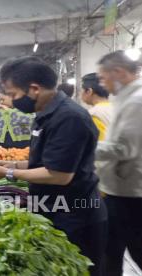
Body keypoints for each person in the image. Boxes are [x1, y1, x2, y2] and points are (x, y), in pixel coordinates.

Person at [0, 57, 107, 276]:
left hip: (76, 216)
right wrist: (9, 162)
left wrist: (7, 173)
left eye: (13, 94)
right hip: (55, 209)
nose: (11, 100)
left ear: (34, 89)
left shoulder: (69, 118)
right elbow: (46, 161)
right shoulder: (45, 114)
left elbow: (58, 174)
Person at [95, 51, 142, 275]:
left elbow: (124, 148)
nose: (102, 84)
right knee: (112, 249)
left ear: (118, 73)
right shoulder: (128, 99)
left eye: (103, 78)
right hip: (122, 189)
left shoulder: (135, 101)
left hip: (130, 193)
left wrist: (82, 148)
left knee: (132, 248)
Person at [81, 73, 113, 141]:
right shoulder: (116, 107)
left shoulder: (93, 114)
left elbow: (98, 145)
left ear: (89, 91)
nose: (80, 93)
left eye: (81, 90)